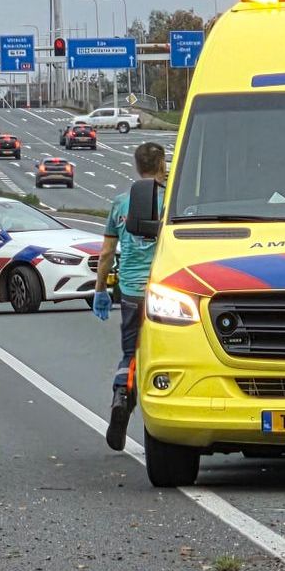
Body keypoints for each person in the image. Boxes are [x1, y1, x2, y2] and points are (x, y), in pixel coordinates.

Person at [93, 141, 168, 450]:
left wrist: (100, 289)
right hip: (164, 290)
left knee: (131, 353)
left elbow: (108, 251)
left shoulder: (120, 203)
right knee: (165, 353)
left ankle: (121, 395)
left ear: (137, 166)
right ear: (162, 165)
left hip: (130, 291)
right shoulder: (171, 201)